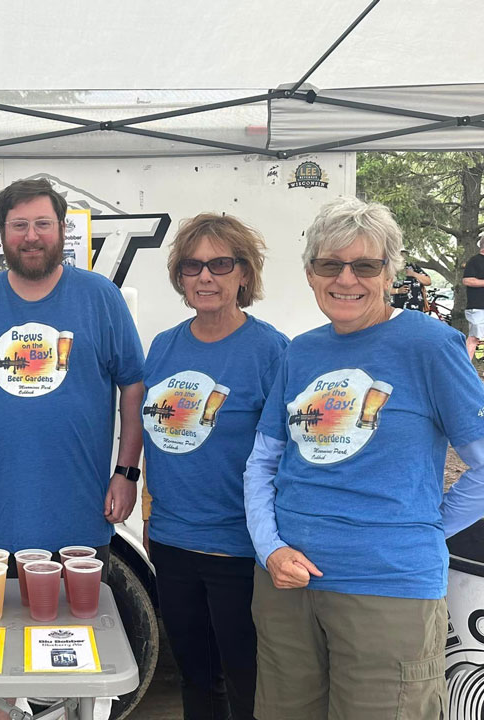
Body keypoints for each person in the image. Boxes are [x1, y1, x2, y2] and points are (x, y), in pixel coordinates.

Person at [244, 197, 484, 719]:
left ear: (390, 273)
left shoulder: (431, 345)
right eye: (330, 264)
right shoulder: (301, 351)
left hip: (388, 590)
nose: (346, 279)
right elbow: (263, 462)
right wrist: (270, 548)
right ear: (311, 274)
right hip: (286, 586)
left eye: (365, 266)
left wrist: (424, 529)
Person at [0, 177, 144, 567]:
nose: (31, 236)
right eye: (19, 225)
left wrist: (127, 473)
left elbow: (134, 386)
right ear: (2, 234)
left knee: (82, 610)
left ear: (62, 229)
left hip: (81, 517)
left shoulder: (101, 297)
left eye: (43, 224)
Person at [142, 214, 287, 720]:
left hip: (240, 548)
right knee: (196, 680)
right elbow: (154, 436)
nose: (205, 276)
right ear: (180, 276)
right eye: (192, 265)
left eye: (220, 264)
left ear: (244, 273)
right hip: (172, 543)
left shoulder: (271, 350)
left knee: (248, 684)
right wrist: (148, 510)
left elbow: (287, 455)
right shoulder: (163, 345)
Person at [463, 233, 484, 360]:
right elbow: (467, 280)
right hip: (478, 307)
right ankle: (464, 368)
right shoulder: (475, 261)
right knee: (474, 338)